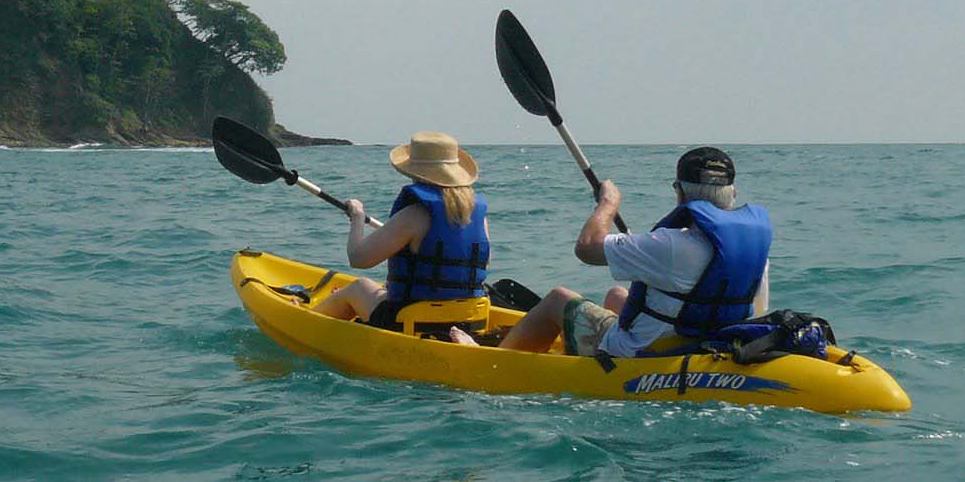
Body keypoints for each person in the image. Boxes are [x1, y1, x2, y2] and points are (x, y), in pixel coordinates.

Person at [459, 147, 770, 358]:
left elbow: (587, 248)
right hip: (708, 343)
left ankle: (499, 359)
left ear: (680, 192)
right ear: (732, 193)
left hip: (649, 351)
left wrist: (608, 203)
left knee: (557, 299)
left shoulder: (671, 245)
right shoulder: (753, 251)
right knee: (616, 296)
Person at [312, 131, 491, 327]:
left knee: (359, 287)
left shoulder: (415, 214)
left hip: (410, 320)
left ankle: (305, 321)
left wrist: (357, 217)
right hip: (468, 318)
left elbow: (358, 259)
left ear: (415, 172)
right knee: (381, 291)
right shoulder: (478, 216)